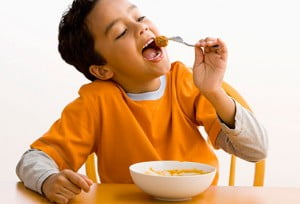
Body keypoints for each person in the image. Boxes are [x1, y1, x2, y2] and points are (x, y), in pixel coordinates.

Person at [16, 0, 268, 203]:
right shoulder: (96, 102)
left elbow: (256, 150)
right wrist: (48, 180)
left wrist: (214, 91)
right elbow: (31, 161)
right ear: (102, 70)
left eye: (139, 17)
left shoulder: (184, 83)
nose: (142, 28)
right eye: (122, 31)